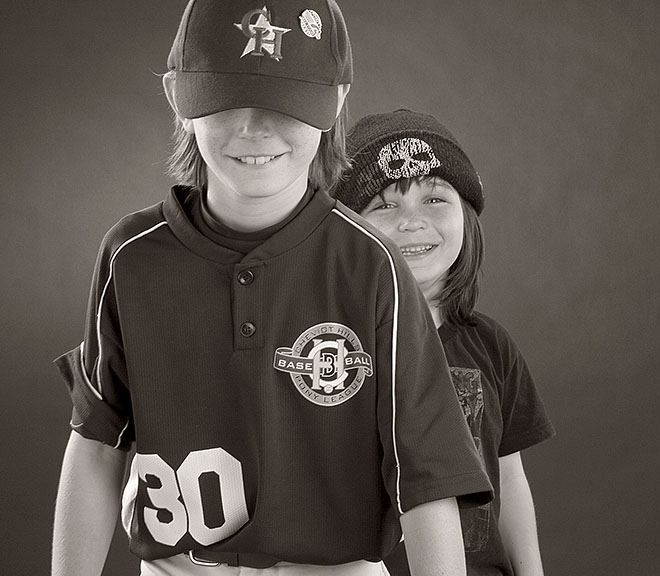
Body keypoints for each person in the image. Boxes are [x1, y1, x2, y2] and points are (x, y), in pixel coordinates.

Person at [51, 3, 492, 575]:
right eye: (227, 98)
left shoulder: (372, 266)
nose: (255, 129)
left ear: (336, 100)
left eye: (286, 102)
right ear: (178, 95)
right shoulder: (130, 257)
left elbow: (427, 479)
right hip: (181, 567)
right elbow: (95, 445)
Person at [330, 109, 556, 576]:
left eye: (434, 199)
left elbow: (508, 478)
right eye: (385, 206)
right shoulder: (330, 352)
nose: (412, 223)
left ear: (466, 217)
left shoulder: (491, 346)